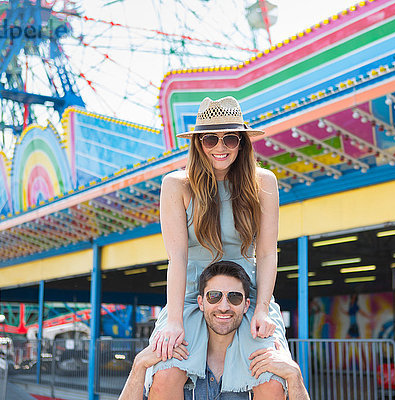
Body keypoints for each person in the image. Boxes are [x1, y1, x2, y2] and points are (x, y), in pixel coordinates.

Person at [146, 96, 288, 399]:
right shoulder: (176, 185)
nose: (220, 147)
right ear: (198, 144)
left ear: (242, 143)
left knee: (272, 378)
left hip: (246, 296)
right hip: (189, 296)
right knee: (165, 374)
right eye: (210, 138)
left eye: (230, 138)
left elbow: (266, 253)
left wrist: (262, 309)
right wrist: (173, 321)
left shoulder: (264, 182)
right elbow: (177, 257)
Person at [119, 261, 309, 400]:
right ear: (201, 302)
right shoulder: (175, 364)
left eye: (234, 297)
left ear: (246, 305)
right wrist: (139, 365)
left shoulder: (261, 365)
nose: (224, 306)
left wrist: (295, 375)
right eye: (214, 296)